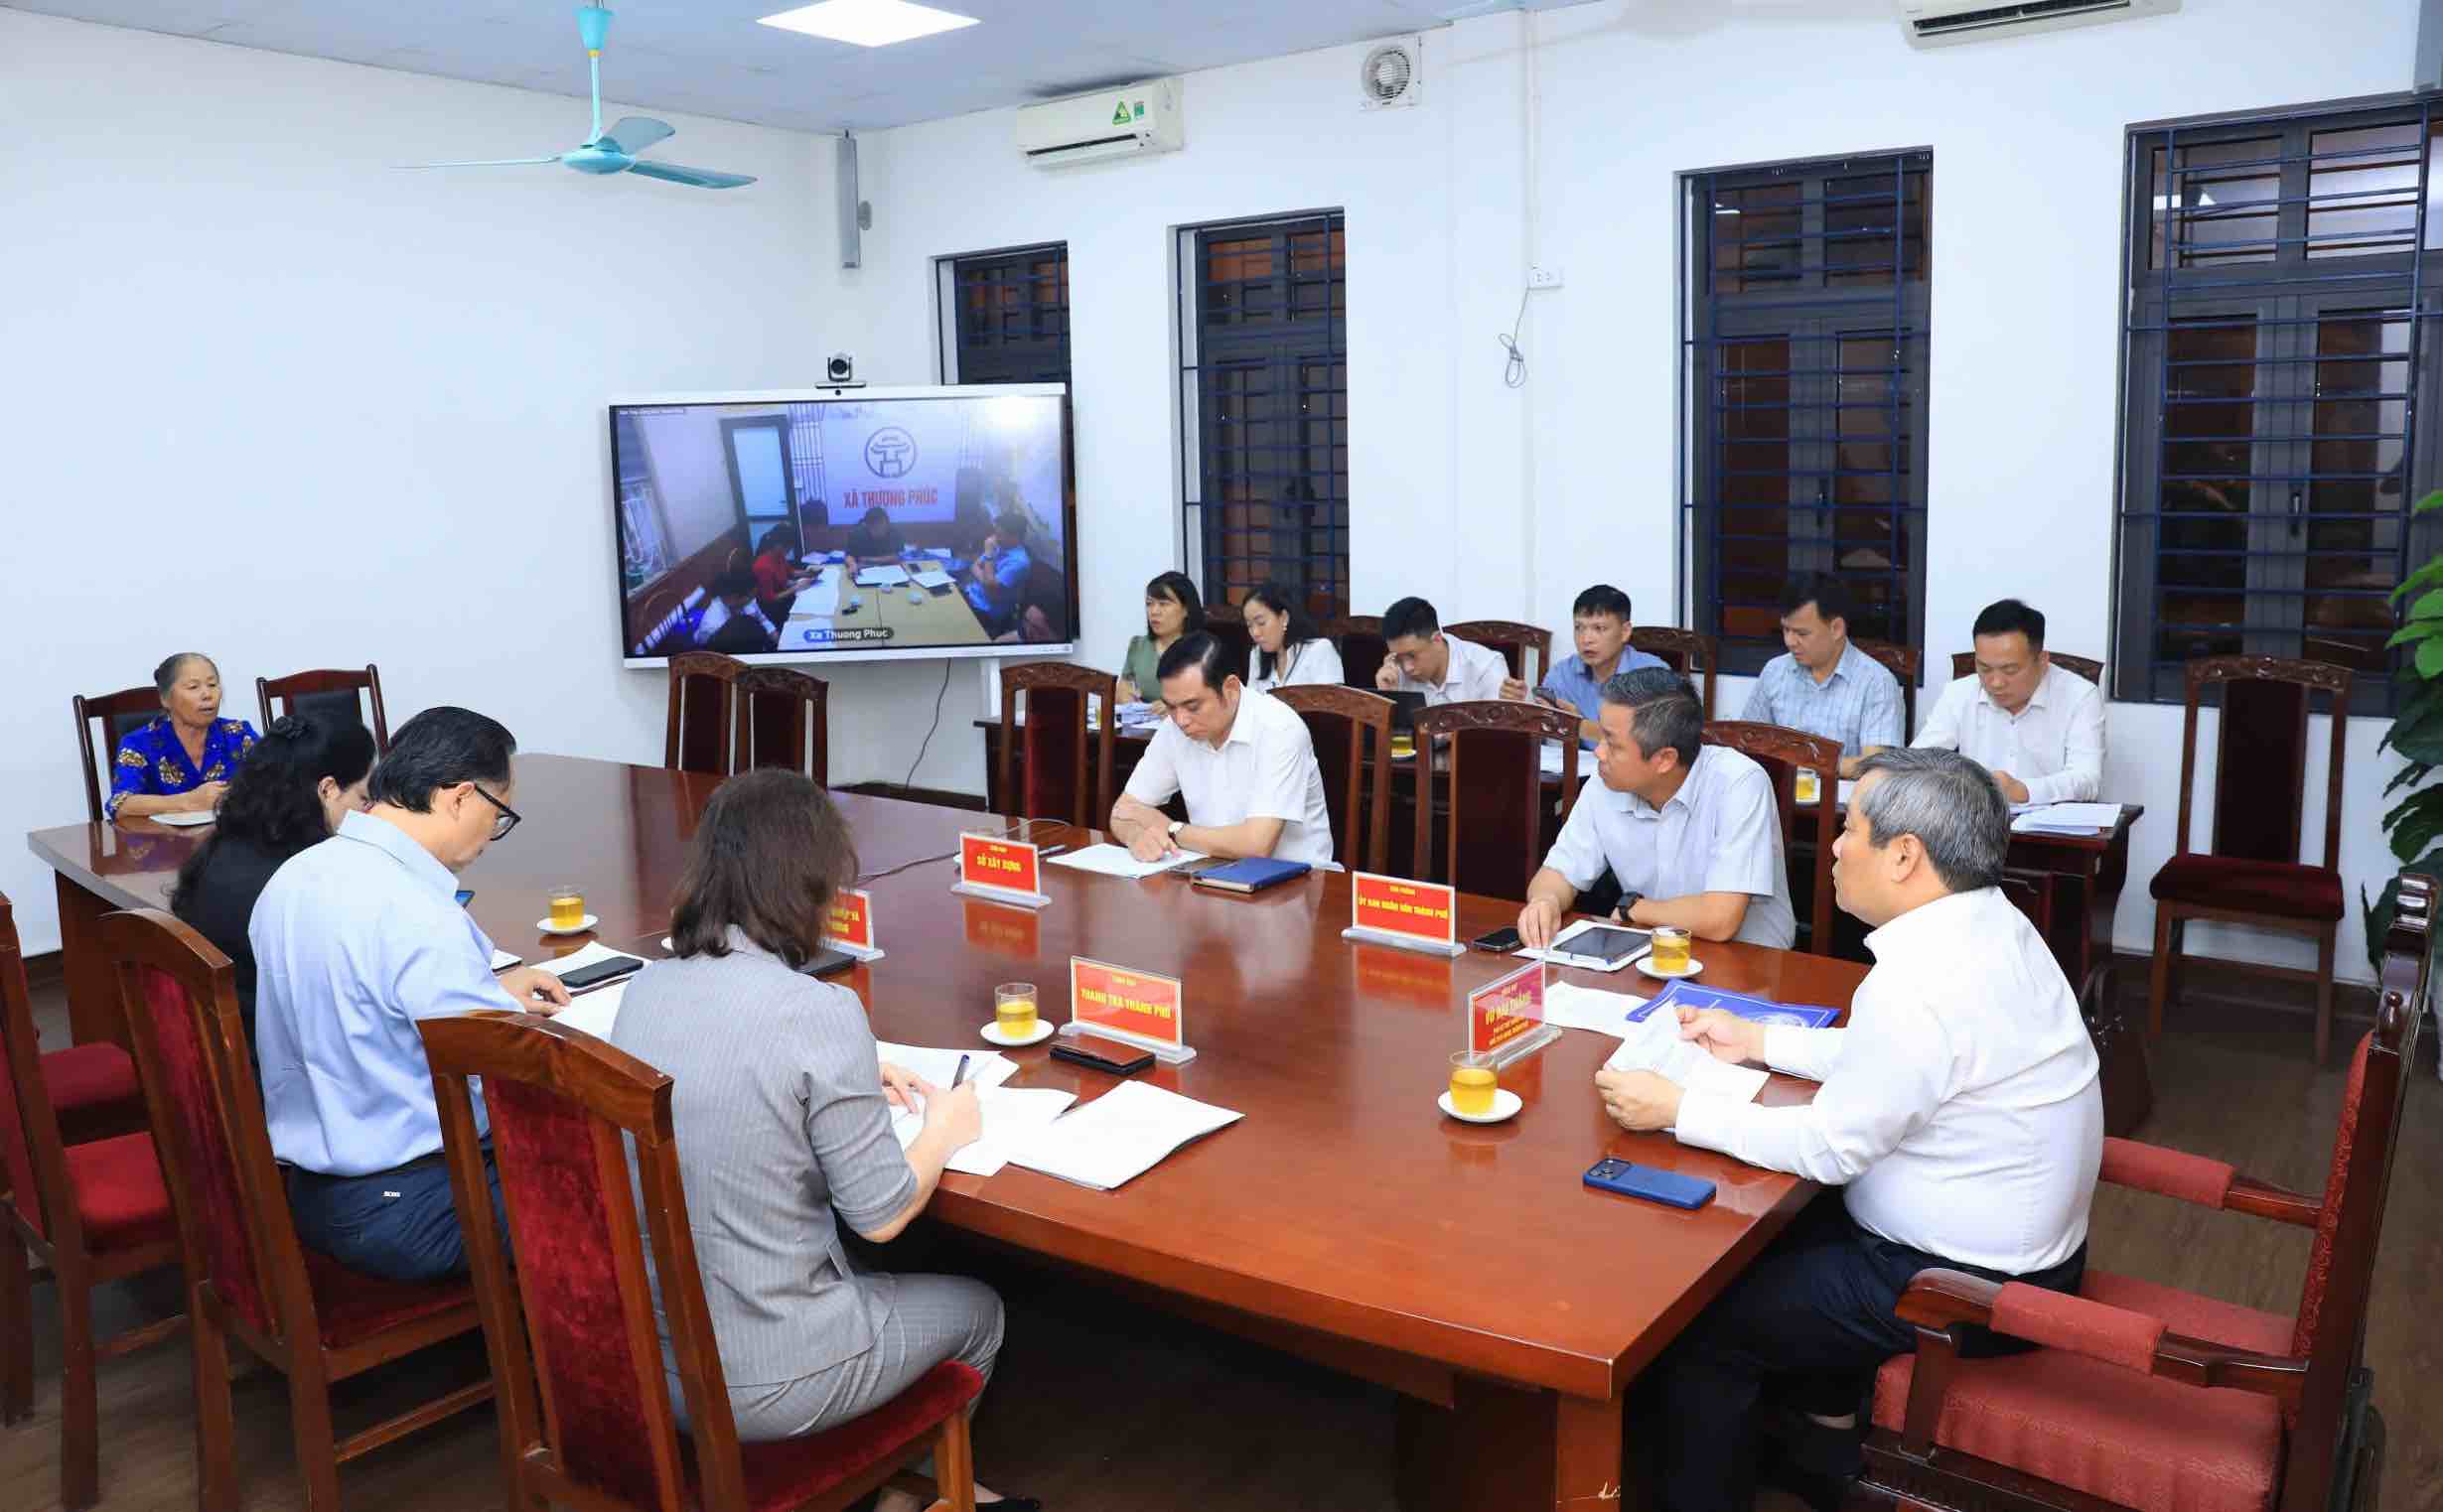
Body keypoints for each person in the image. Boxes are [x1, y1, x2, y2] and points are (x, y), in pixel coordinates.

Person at [1600, 748, 2101, 1512]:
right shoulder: (1989, 923)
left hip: (1963, 1290)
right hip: (2019, 1254)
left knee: (1700, 1325)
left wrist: (1678, 1109)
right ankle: (1821, 1440)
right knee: (1751, 1243)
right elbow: (1904, 1063)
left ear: (1905, 855)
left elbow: (1830, 1147)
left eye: (1850, 828)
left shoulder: (1922, 979)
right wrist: (1759, 1040)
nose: (1831, 846)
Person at [608, 771, 1035, 1510]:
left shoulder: (646, 989)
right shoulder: (821, 1010)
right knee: (980, 1312)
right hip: (772, 1376)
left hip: (654, 1360)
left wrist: (842, 1075)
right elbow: (882, 1214)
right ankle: (914, 1495)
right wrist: (942, 1129)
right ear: (808, 882)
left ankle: (909, 1490)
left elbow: (728, 1072)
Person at [250, 707, 573, 1283]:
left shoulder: (294, 876)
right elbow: (498, 1076)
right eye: (498, 814)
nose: (492, 835)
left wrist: (487, 991)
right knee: (615, 1184)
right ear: (459, 797)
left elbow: (355, 998)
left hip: (315, 1187)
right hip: (413, 1203)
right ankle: (575, 1363)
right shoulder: (417, 913)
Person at [1516, 669, 1794, 950]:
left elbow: (1719, 919)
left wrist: (1633, 909)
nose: (1598, 752)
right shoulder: (1604, 783)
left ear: (1664, 759)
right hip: (1654, 952)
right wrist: (1545, 901)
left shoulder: (1739, 783)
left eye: (1612, 744)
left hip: (1746, 959)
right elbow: (1557, 873)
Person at [166, 715, 377, 1050]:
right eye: (364, 798)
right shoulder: (298, 881)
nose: (369, 812)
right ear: (327, 790)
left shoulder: (227, 846)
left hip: (226, 1048)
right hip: (285, 1066)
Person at [1108, 633, 1336, 867]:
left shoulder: (1279, 728)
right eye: (1170, 707)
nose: (1181, 720)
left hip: (1297, 883)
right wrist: (1136, 837)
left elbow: (1256, 845)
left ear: (1231, 689)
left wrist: (1171, 828)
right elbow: (1122, 810)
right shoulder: (1174, 728)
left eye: (1192, 706)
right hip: (1213, 873)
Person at [1913, 598, 2104, 805]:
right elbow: (1917, 761)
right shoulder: (1959, 692)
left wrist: (2022, 790)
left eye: (2010, 670)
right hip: (1975, 825)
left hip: (2053, 830)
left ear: (2042, 661)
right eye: (1984, 668)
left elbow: (2087, 779)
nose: (1995, 683)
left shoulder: (2080, 695)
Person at [1739, 573, 1903, 778]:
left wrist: (1807, 763)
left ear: (1836, 629)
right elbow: (1746, 745)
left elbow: (1876, 768)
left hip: (1842, 807)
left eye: (1801, 633)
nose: (1790, 641)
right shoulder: (1775, 671)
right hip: (1776, 802)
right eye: (1785, 630)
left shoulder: (1877, 682)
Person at [104, 653, 260, 820]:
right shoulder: (139, 744)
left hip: (230, 840)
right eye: (193, 687)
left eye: (213, 684)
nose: (207, 694)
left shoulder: (238, 734)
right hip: (163, 842)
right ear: (165, 698)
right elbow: (121, 804)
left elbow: (279, 782)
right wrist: (188, 801)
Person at [1535, 584, 1668, 746]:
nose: (1586, 639)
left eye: (1599, 628)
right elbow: (1545, 737)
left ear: (1625, 631)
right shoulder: (1561, 675)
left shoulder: (1654, 675)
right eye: (1579, 628)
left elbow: (1656, 742)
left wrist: (1578, 726)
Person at [1373, 597, 1524, 705]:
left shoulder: (1485, 666)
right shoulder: (1393, 673)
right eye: (1398, 658)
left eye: (1412, 655)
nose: (1407, 667)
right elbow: (1394, 744)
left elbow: (1497, 735)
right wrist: (1386, 696)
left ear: (1437, 639)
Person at [1117, 571, 1203, 707]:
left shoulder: (1203, 649)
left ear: (1186, 609)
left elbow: (1210, 699)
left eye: (1163, 604)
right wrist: (1124, 695)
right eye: (1149, 603)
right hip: (1146, 725)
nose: (1154, 611)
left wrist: (1174, 706)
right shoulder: (1138, 645)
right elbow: (1123, 688)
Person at [1243, 582, 1345, 696]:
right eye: (1249, 626)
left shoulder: (1319, 650)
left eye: (1261, 623)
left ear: (1284, 617)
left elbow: (1331, 706)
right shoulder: (1256, 655)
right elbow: (1250, 706)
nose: (1255, 633)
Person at [962, 509, 1033, 635]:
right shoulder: (1000, 545)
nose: (993, 538)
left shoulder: (1019, 562)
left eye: (999, 534)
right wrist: (986, 580)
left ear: (1015, 537)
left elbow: (990, 590)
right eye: (995, 533)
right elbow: (974, 566)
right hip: (971, 594)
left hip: (985, 611)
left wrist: (989, 555)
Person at [695, 568, 782, 653]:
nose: (753, 600)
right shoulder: (713, 626)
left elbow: (762, 619)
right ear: (731, 598)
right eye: (750, 597)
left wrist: (778, 642)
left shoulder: (744, 601)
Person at [752, 524, 815, 626]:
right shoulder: (762, 566)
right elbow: (769, 599)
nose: (789, 550)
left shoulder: (778, 555)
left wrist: (809, 573)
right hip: (774, 610)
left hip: (785, 595)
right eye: (788, 547)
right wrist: (796, 588)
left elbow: (790, 572)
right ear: (778, 544)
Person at [841, 504, 906, 570]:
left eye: (881, 527)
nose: (878, 531)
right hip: (863, 569)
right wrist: (852, 565)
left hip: (889, 568)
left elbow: (897, 556)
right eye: (874, 528)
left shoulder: (895, 533)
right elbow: (849, 555)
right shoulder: (856, 534)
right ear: (866, 526)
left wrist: (870, 559)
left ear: (887, 523)